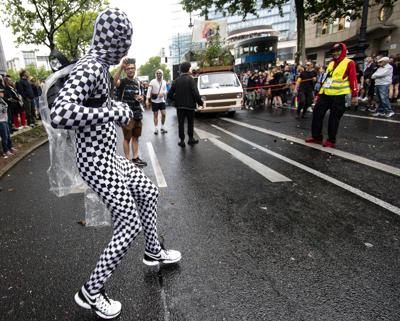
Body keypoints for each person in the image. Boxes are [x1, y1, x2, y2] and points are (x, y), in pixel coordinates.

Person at [50, 8, 181, 319]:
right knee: (128, 224)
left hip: (109, 158)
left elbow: (92, 103)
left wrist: (116, 105)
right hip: (97, 163)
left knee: (148, 190)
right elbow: (60, 113)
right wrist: (112, 112)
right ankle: (90, 292)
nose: (126, 51)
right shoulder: (91, 68)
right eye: (125, 42)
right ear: (116, 42)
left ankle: (153, 251)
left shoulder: (98, 69)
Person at [305, 43, 358, 148]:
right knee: (317, 113)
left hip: (340, 95)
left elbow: (353, 79)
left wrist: (355, 95)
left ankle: (331, 140)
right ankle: (316, 137)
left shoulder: (349, 63)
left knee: (334, 118)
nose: (335, 53)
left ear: (343, 51)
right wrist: (319, 94)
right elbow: (326, 80)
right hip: (326, 94)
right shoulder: (330, 64)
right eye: (334, 51)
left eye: (338, 50)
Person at [113, 56, 147, 167]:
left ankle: (135, 158)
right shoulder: (122, 82)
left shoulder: (137, 82)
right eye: (128, 69)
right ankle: (127, 161)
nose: (130, 70)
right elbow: (114, 81)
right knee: (127, 138)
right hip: (127, 115)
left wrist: (141, 97)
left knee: (136, 137)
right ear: (125, 70)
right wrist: (120, 67)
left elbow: (140, 94)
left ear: (135, 69)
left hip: (137, 114)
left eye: (132, 68)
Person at [167, 61, 203, 147]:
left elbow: (169, 95)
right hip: (190, 106)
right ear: (188, 69)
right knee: (190, 123)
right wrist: (200, 102)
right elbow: (195, 93)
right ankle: (190, 139)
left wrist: (176, 100)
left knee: (181, 123)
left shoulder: (176, 81)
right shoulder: (191, 79)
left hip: (180, 107)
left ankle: (182, 140)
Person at [146, 69, 168, 135]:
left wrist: (163, 93)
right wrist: (147, 99)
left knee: (164, 114)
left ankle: (162, 127)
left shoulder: (164, 82)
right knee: (155, 115)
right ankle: (156, 128)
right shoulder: (152, 81)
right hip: (155, 101)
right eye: (157, 73)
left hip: (162, 101)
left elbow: (166, 90)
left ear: (162, 74)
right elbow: (149, 91)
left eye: (160, 73)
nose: (159, 74)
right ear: (156, 74)